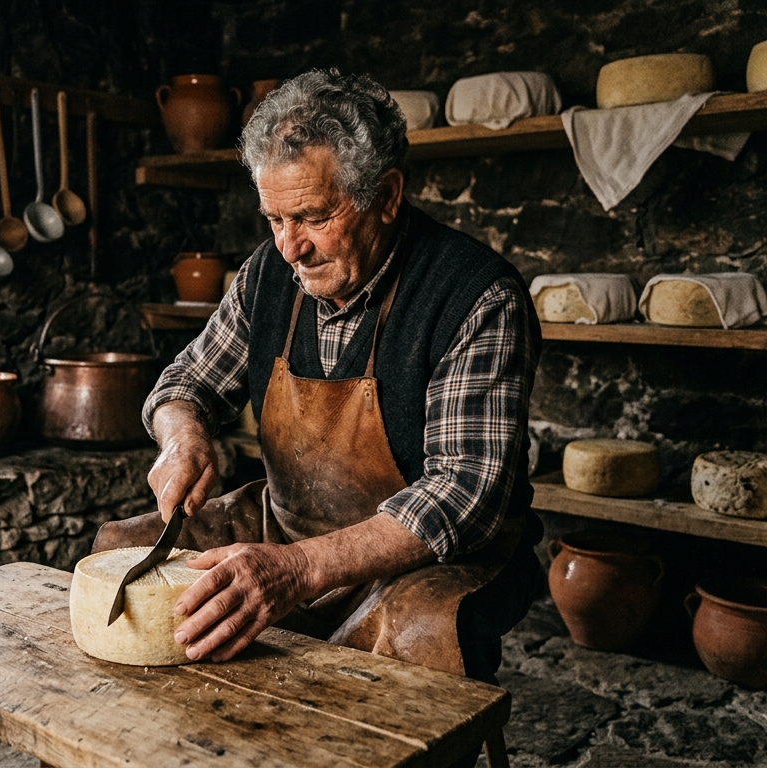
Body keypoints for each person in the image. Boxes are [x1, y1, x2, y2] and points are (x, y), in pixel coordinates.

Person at [93, 69, 544, 689]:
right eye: (274, 219)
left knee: (422, 632)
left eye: (311, 216)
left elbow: (465, 494)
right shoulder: (267, 275)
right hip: (287, 527)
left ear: (386, 195)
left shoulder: (475, 296)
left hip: (425, 559)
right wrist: (182, 437)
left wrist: (299, 569)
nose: (289, 248)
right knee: (121, 555)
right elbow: (185, 383)